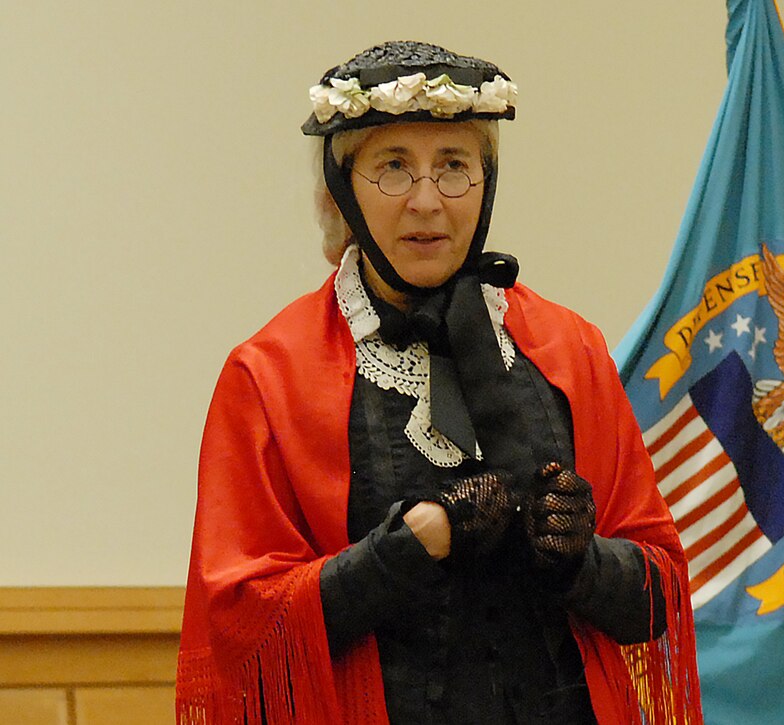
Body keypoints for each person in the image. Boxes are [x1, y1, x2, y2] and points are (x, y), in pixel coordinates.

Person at [176, 41, 702, 724]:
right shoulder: (267, 375)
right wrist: (406, 547)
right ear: (341, 190)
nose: (427, 201)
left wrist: (583, 561)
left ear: (485, 184)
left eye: (453, 166)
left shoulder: (572, 350)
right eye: (393, 166)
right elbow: (241, 637)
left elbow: (661, 591)